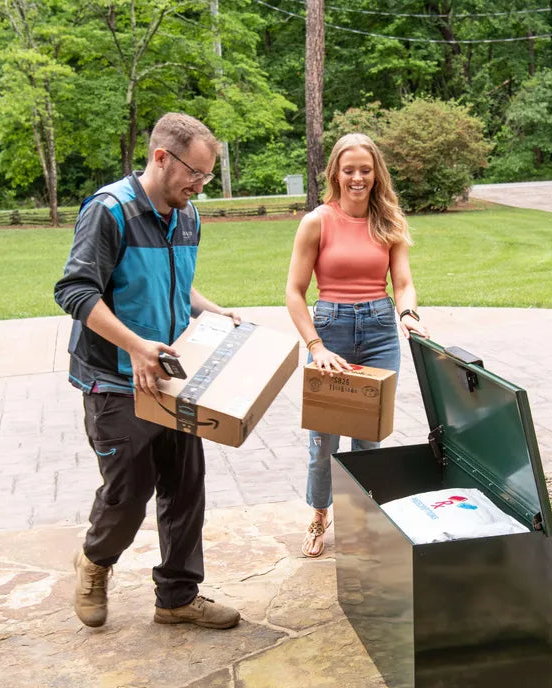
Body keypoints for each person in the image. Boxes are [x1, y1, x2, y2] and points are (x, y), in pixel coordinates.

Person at [54, 112, 242, 630]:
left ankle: (178, 596)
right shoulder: (109, 211)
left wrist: (212, 310)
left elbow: (178, 288)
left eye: (206, 176)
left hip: (171, 378)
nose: (200, 187)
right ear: (162, 157)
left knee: (185, 486)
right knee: (128, 494)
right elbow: (74, 291)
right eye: (195, 175)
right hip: (114, 379)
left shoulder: (187, 216)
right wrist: (136, 347)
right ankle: (94, 563)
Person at [285, 132, 428, 558]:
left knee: (369, 438)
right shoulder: (317, 221)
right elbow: (294, 292)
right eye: (349, 170)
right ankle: (319, 513)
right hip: (331, 330)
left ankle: (363, 519)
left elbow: (402, 283)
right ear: (335, 173)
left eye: (365, 170)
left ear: (376, 173)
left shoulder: (389, 221)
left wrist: (408, 315)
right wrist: (315, 346)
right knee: (323, 439)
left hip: (381, 330)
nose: (357, 178)